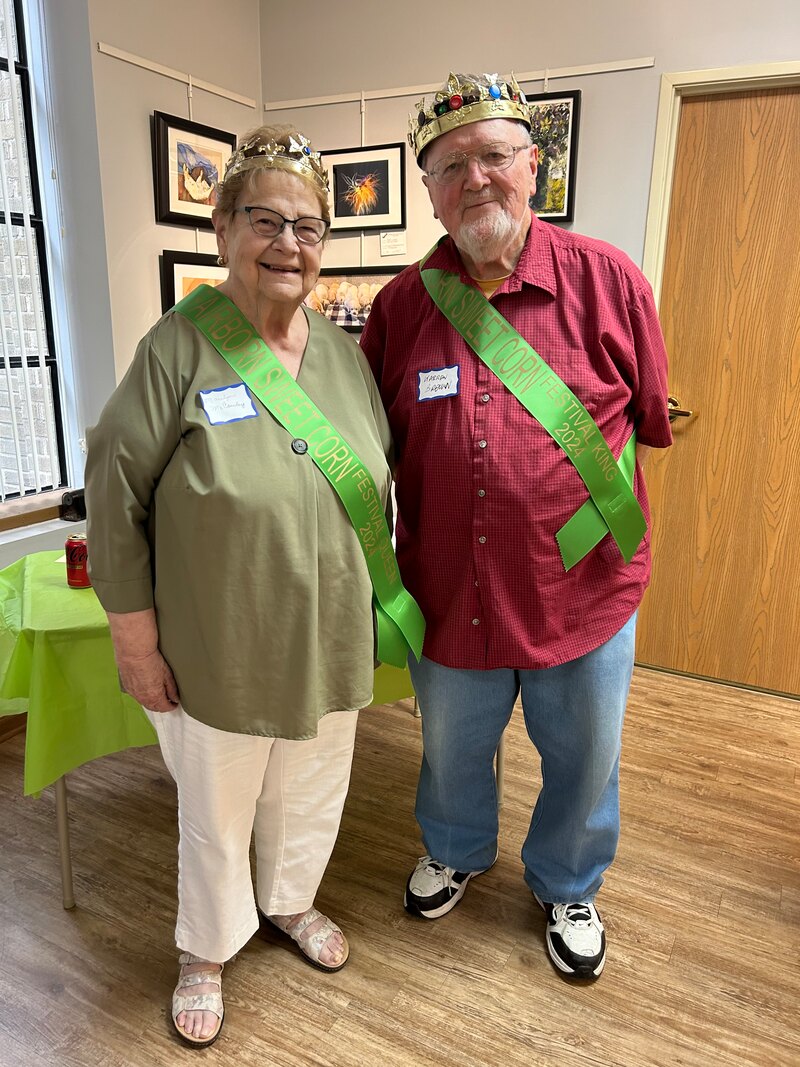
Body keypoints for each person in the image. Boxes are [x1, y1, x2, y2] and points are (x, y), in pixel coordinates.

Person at [85, 125, 395, 1048]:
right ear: (222, 227)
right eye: (265, 220)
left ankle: (291, 900)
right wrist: (133, 637)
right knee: (216, 805)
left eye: (307, 227)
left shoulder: (343, 355)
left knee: (312, 786)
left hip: (330, 630)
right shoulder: (176, 349)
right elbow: (113, 490)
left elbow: (377, 475)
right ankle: (208, 946)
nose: (288, 245)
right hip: (220, 638)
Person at [360, 72, 672, 982]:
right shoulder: (401, 306)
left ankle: (568, 878)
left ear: (534, 165)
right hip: (451, 589)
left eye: (494, 155)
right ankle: (456, 848)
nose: (475, 179)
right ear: (428, 188)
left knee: (584, 758)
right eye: (450, 164)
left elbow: (649, 419)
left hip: (581, 589)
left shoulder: (609, 281)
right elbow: (372, 439)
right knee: (452, 748)